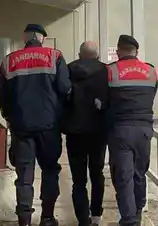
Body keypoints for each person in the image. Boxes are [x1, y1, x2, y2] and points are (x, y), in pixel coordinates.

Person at [0, 24, 71, 226]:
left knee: (24, 176)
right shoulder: (54, 56)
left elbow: (1, 97)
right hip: (49, 126)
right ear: (41, 38)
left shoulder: (9, 61)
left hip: (21, 127)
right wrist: (59, 115)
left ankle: (25, 221)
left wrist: (11, 118)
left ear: (25, 38)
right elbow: (66, 89)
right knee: (50, 170)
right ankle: (47, 217)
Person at [100, 34, 158, 226]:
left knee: (124, 176)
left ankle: (129, 219)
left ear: (118, 51)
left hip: (120, 131)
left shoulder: (110, 71)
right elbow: (152, 95)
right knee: (139, 173)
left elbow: (103, 102)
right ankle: (138, 212)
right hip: (144, 129)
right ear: (137, 51)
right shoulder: (151, 71)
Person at [62, 41, 109, 226]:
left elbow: (62, 97)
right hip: (98, 132)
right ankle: (96, 215)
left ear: (79, 54)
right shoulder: (105, 71)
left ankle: (83, 219)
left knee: (78, 180)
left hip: (75, 132)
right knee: (97, 173)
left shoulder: (68, 69)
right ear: (97, 55)